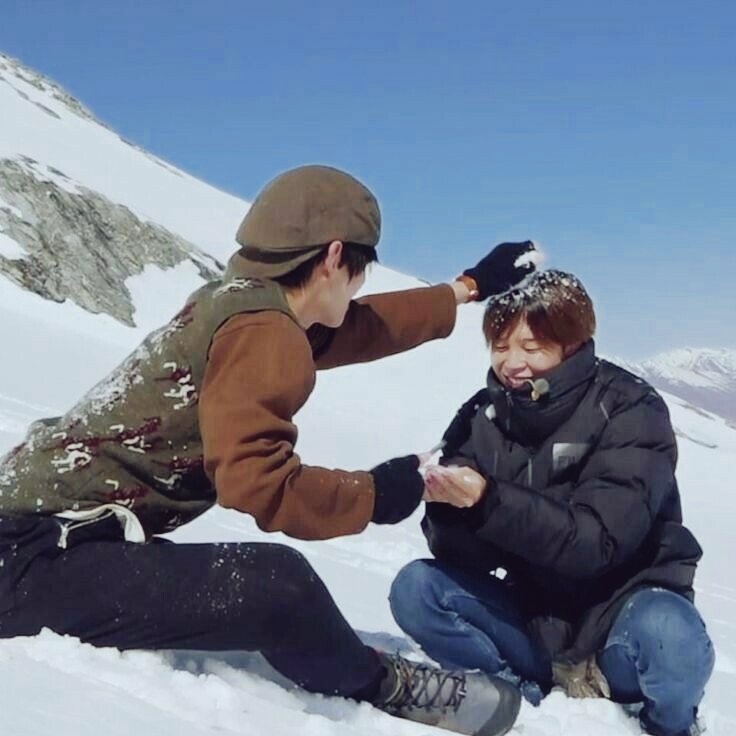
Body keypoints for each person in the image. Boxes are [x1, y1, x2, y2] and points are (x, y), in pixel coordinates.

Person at [0, 165, 536, 736]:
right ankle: (383, 684)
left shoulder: (240, 304)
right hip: (30, 560)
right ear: (334, 256)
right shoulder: (262, 332)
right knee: (276, 584)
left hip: (43, 541)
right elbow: (257, 483)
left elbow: (360, 327)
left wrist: (467, 288)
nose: (358, 288)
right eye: (360, 272)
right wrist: (377, 493)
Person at [389, 270, 715, 736]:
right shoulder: (483, 415)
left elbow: (597, 543)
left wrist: (489, 501)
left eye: (532, 347)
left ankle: (665, 728)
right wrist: (448, 505)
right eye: (501, 346)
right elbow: (462, 557)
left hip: (623, 625)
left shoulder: (631, 409)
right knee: (418, 588)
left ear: (572, 345)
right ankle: (521, 705)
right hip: (533, 621)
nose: (512, 363)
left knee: (671, 636)